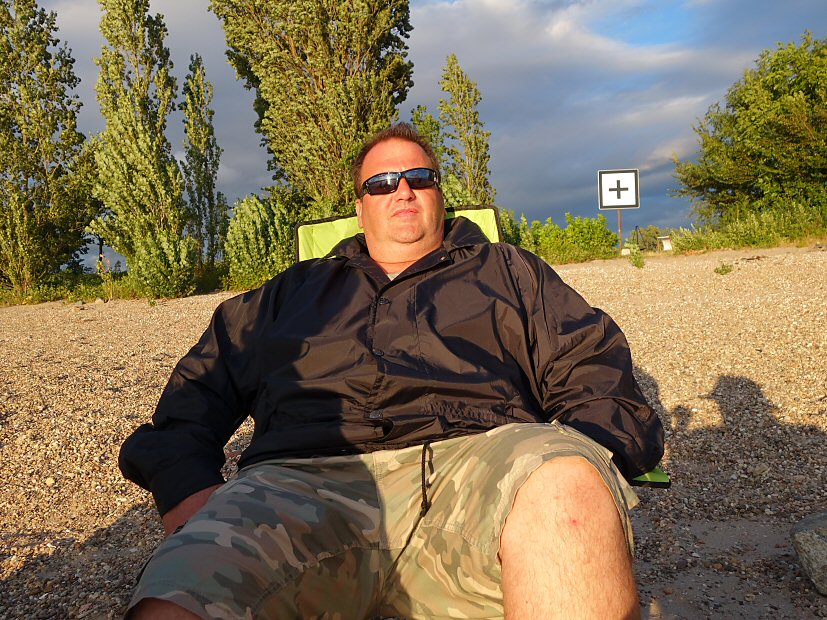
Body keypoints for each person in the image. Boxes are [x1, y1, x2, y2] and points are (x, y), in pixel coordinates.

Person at [120, 123, 664, 619]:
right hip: (299, 487)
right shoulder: (293, 290)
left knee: (568, 485)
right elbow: (196, 392)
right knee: (175, 597)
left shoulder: (509, 272)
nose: (402, 190)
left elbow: (592, 370)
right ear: (360, 209)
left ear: (440, 196)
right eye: (381, 183)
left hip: (476, 475)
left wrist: (585, 472)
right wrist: (188, 493)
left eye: (418, 178)